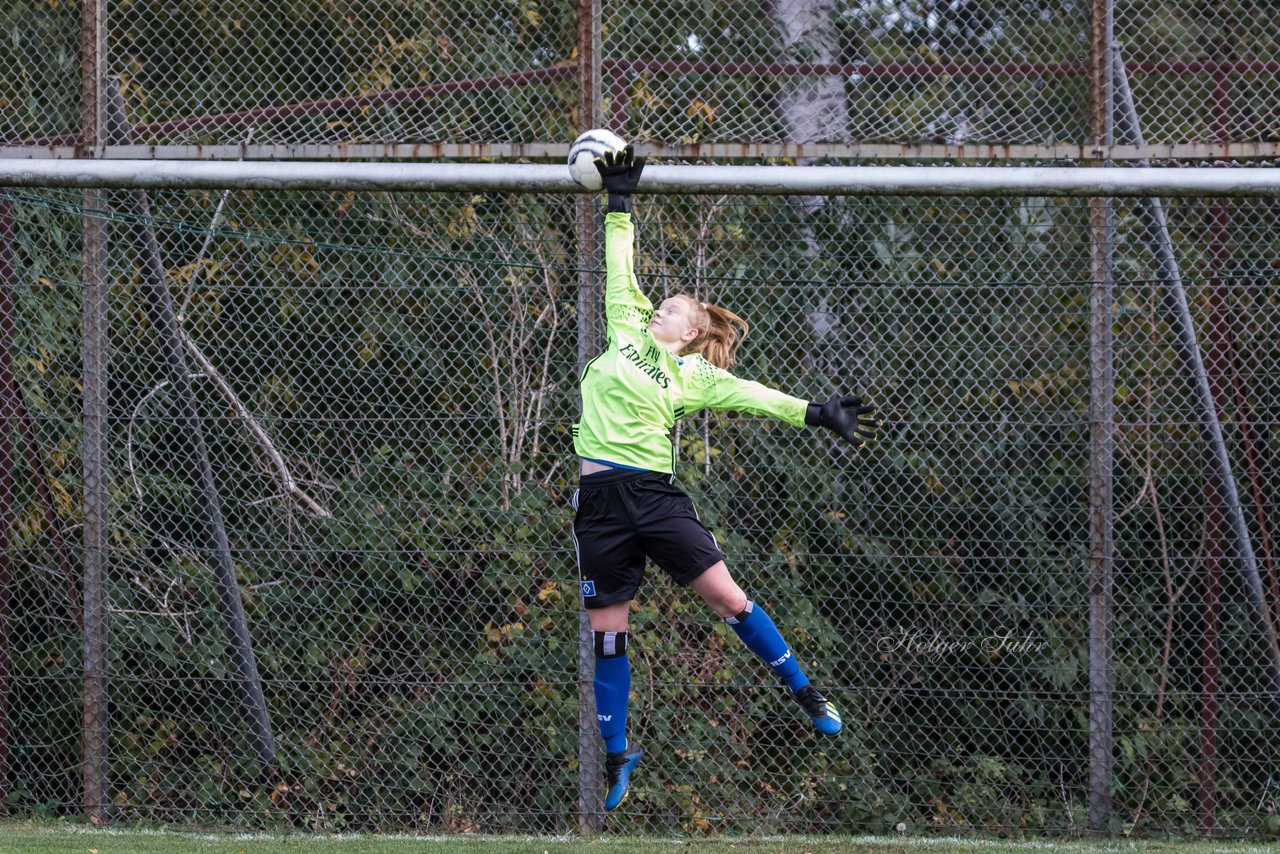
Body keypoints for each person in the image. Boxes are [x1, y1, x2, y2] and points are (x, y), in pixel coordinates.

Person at [572, 146, 879, 812]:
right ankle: (620, 755)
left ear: (693, 329)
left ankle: (806, 693)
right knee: (607, 632)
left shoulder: (693, 375)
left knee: (727, 599)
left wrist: (817, 413)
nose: (661, 310)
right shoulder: (626, 321)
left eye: (673, 308)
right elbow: (617, 261)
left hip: (653, 496)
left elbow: (756, 395)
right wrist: (619, 199)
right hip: (597, 502)